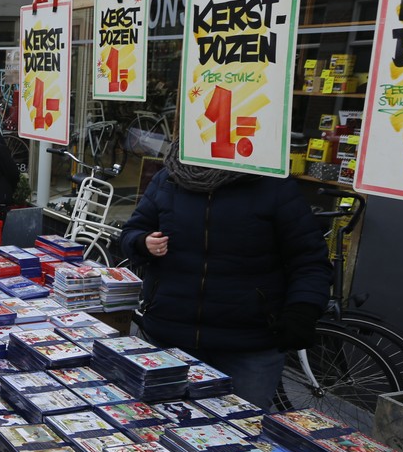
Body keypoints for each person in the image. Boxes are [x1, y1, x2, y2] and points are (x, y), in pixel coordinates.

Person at [119, 146, 331, 409]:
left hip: (247, 345)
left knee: (245, 428)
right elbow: (132, 231)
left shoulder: (273, 184)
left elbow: (309, 259)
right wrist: (142, 242)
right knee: (161, 424)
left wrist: (303, 310)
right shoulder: (169, 179)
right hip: (170, 334)